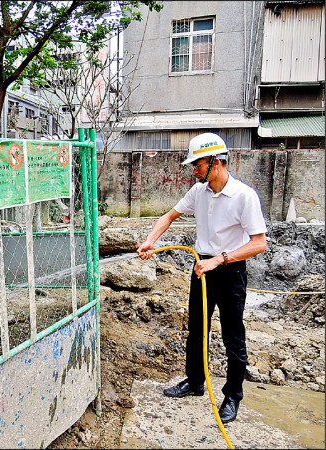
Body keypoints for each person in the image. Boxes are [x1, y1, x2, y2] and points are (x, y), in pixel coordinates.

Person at [136, 132, 267, 424]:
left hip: (230, 272)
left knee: (234, 336)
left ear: (216, 162)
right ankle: (195, 382)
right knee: (197, 330)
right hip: (201, 271)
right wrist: (150, 241)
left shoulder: (243, 196)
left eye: (197, 163)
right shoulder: (199, 191)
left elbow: (259, 243)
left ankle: (233, 396)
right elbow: (168, 216)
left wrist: (219, 260)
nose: (193, 169)